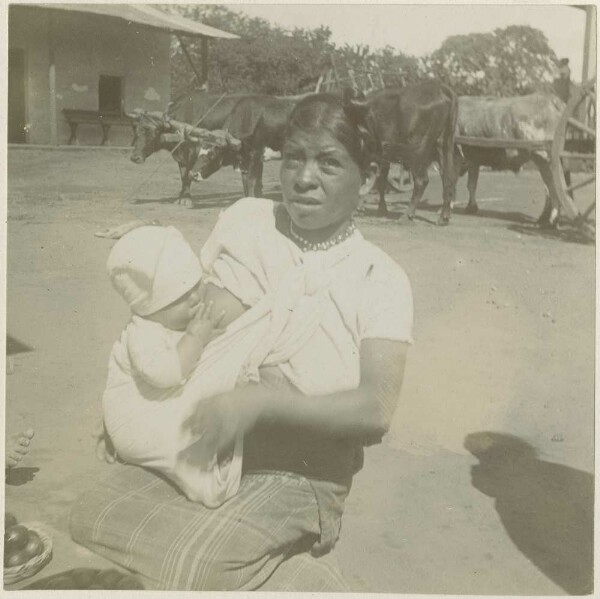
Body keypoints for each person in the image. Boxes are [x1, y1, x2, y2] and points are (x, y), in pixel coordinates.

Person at [70, 92, 414, 592]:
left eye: (329, 162)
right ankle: (270, 568)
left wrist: (264, 402)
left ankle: (301, 575)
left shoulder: (378, 277)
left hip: (300, 468)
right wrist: (139, 404)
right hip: (200, 441)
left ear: (371, 176)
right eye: (293, 157)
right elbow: (188, 316)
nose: (303, 178)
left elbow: (375, 408)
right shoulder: (249, 221)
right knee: (90, 514)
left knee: (203, 564)